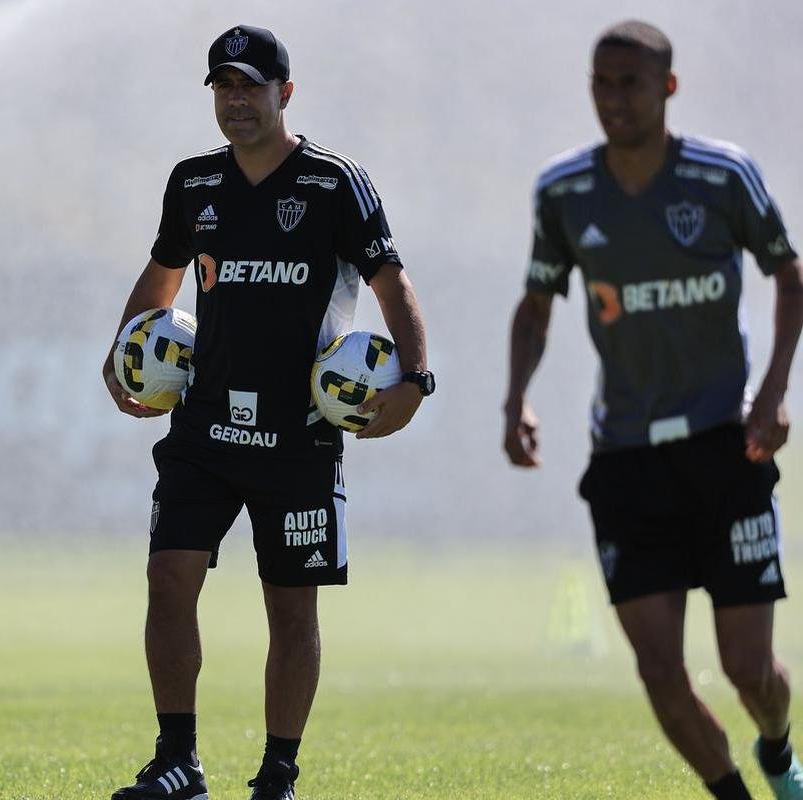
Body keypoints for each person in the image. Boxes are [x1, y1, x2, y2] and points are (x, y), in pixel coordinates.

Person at [101, 24, 432, 800]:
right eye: (223, 86)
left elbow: (393, 286)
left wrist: (415, 377)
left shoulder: (335, 183)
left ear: (287, 93)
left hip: (300, 438)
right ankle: (176, 760)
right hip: (203, 430)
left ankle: (278, 774)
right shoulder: (193, 184)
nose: (236, 100)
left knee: (290, 607)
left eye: (251, 86)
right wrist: (120, 358)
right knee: (167, 577)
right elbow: (162, 278)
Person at [504, 21, 803, 800]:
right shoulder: (565, 192)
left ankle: (777, 746)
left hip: (724, 446)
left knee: (748, 671)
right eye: (601, 83)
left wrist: (772, 395)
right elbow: (536, 306)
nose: (614, 100)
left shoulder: (721, 176)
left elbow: (790, 276)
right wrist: (516, 399)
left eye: (630, 83)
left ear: (668, 87)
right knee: (659, 670)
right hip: (627, 458)